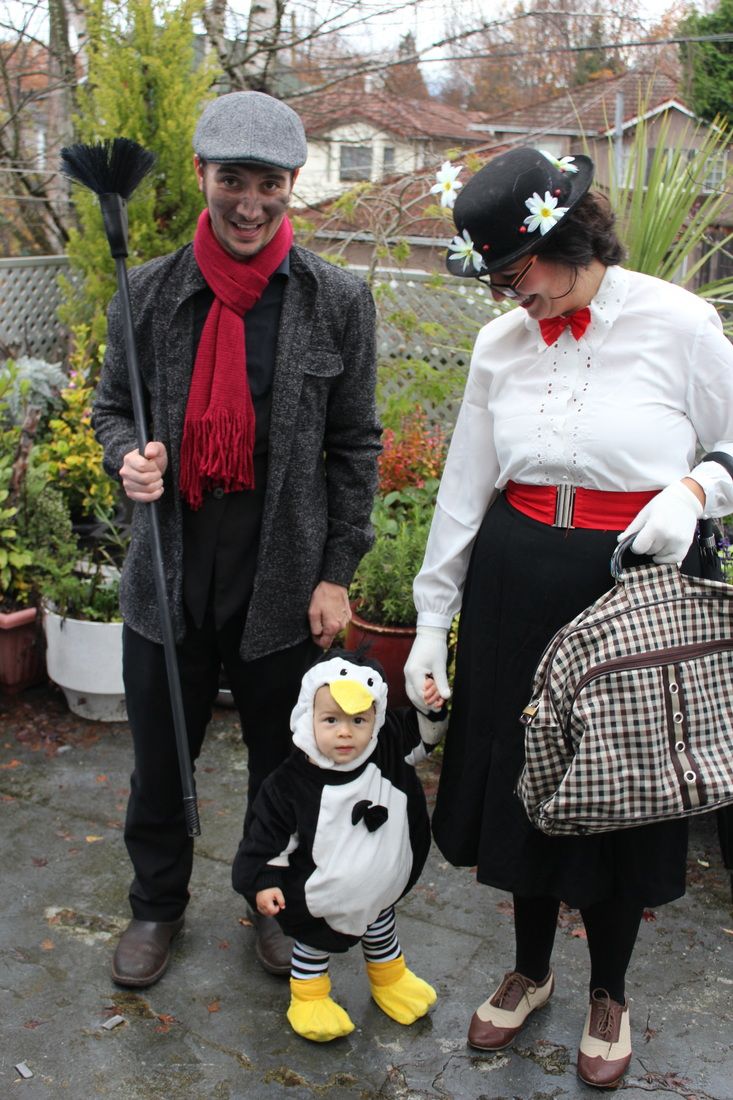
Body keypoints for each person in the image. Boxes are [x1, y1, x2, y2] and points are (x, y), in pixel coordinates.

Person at [403, 147, 733, 1089]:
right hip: (515, 588)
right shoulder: (498, 346)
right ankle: (531, 969)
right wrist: (432, 623)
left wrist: (696, 488)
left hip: (627, 592)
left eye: (518, 275)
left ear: (570, 235)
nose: (513, 299)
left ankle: (611, 989)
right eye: (497, 283)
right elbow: (464, 488)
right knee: (523, 788)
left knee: (617, 793)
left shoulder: (679, 321)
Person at [92, 91, 381, 989]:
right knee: (158, 757)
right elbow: (110, 408)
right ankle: (155, 906)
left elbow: (354, 445)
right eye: (231, 182)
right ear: (200, 179)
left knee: (282, 767)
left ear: (293, 184)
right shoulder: (147, 294)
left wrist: (337, 573)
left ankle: (272, 900)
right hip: (168, 574)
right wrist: (125, 461)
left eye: (268, 184)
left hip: (281, 577)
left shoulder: (336, 301)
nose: (249, 204)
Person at [232, 649, 447, 1042]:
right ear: (307, 717)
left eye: (358, 720)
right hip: (322, 899)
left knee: (381, 926)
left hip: (378, 889)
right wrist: (263, 881)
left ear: (376, 720)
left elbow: (424, 735)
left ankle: (390, 979)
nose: (345, 732)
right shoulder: (288, 785)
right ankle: (310, 996)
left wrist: (429, 705)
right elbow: (265, 838)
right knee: (314, 944)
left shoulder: (386, 748)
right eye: (330, 720)